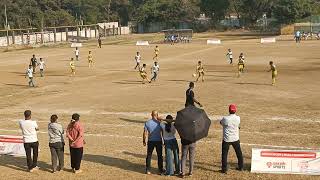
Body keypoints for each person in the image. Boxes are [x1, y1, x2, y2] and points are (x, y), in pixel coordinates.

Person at [220, 104, 244, 174]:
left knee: (224, 154)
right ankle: (241, 167)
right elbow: (237, 125)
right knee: (239, 153)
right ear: (235, 110)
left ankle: (224, 169)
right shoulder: (238, 118)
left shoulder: (225, 118)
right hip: (235, 138)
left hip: (227, 139)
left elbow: (221, 123)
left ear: (229, 110)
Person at [143, 111, 164, 175]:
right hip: (158, 141)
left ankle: (148, 170)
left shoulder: (147, 122)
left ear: (151, 115)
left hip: (150, 141)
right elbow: (163, 132)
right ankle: (160, 169)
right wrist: (164, 140)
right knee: (159, 156)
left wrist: (144, 140)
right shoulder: (160, 123)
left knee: (149, 155)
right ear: (157, 115)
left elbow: (145, 133)